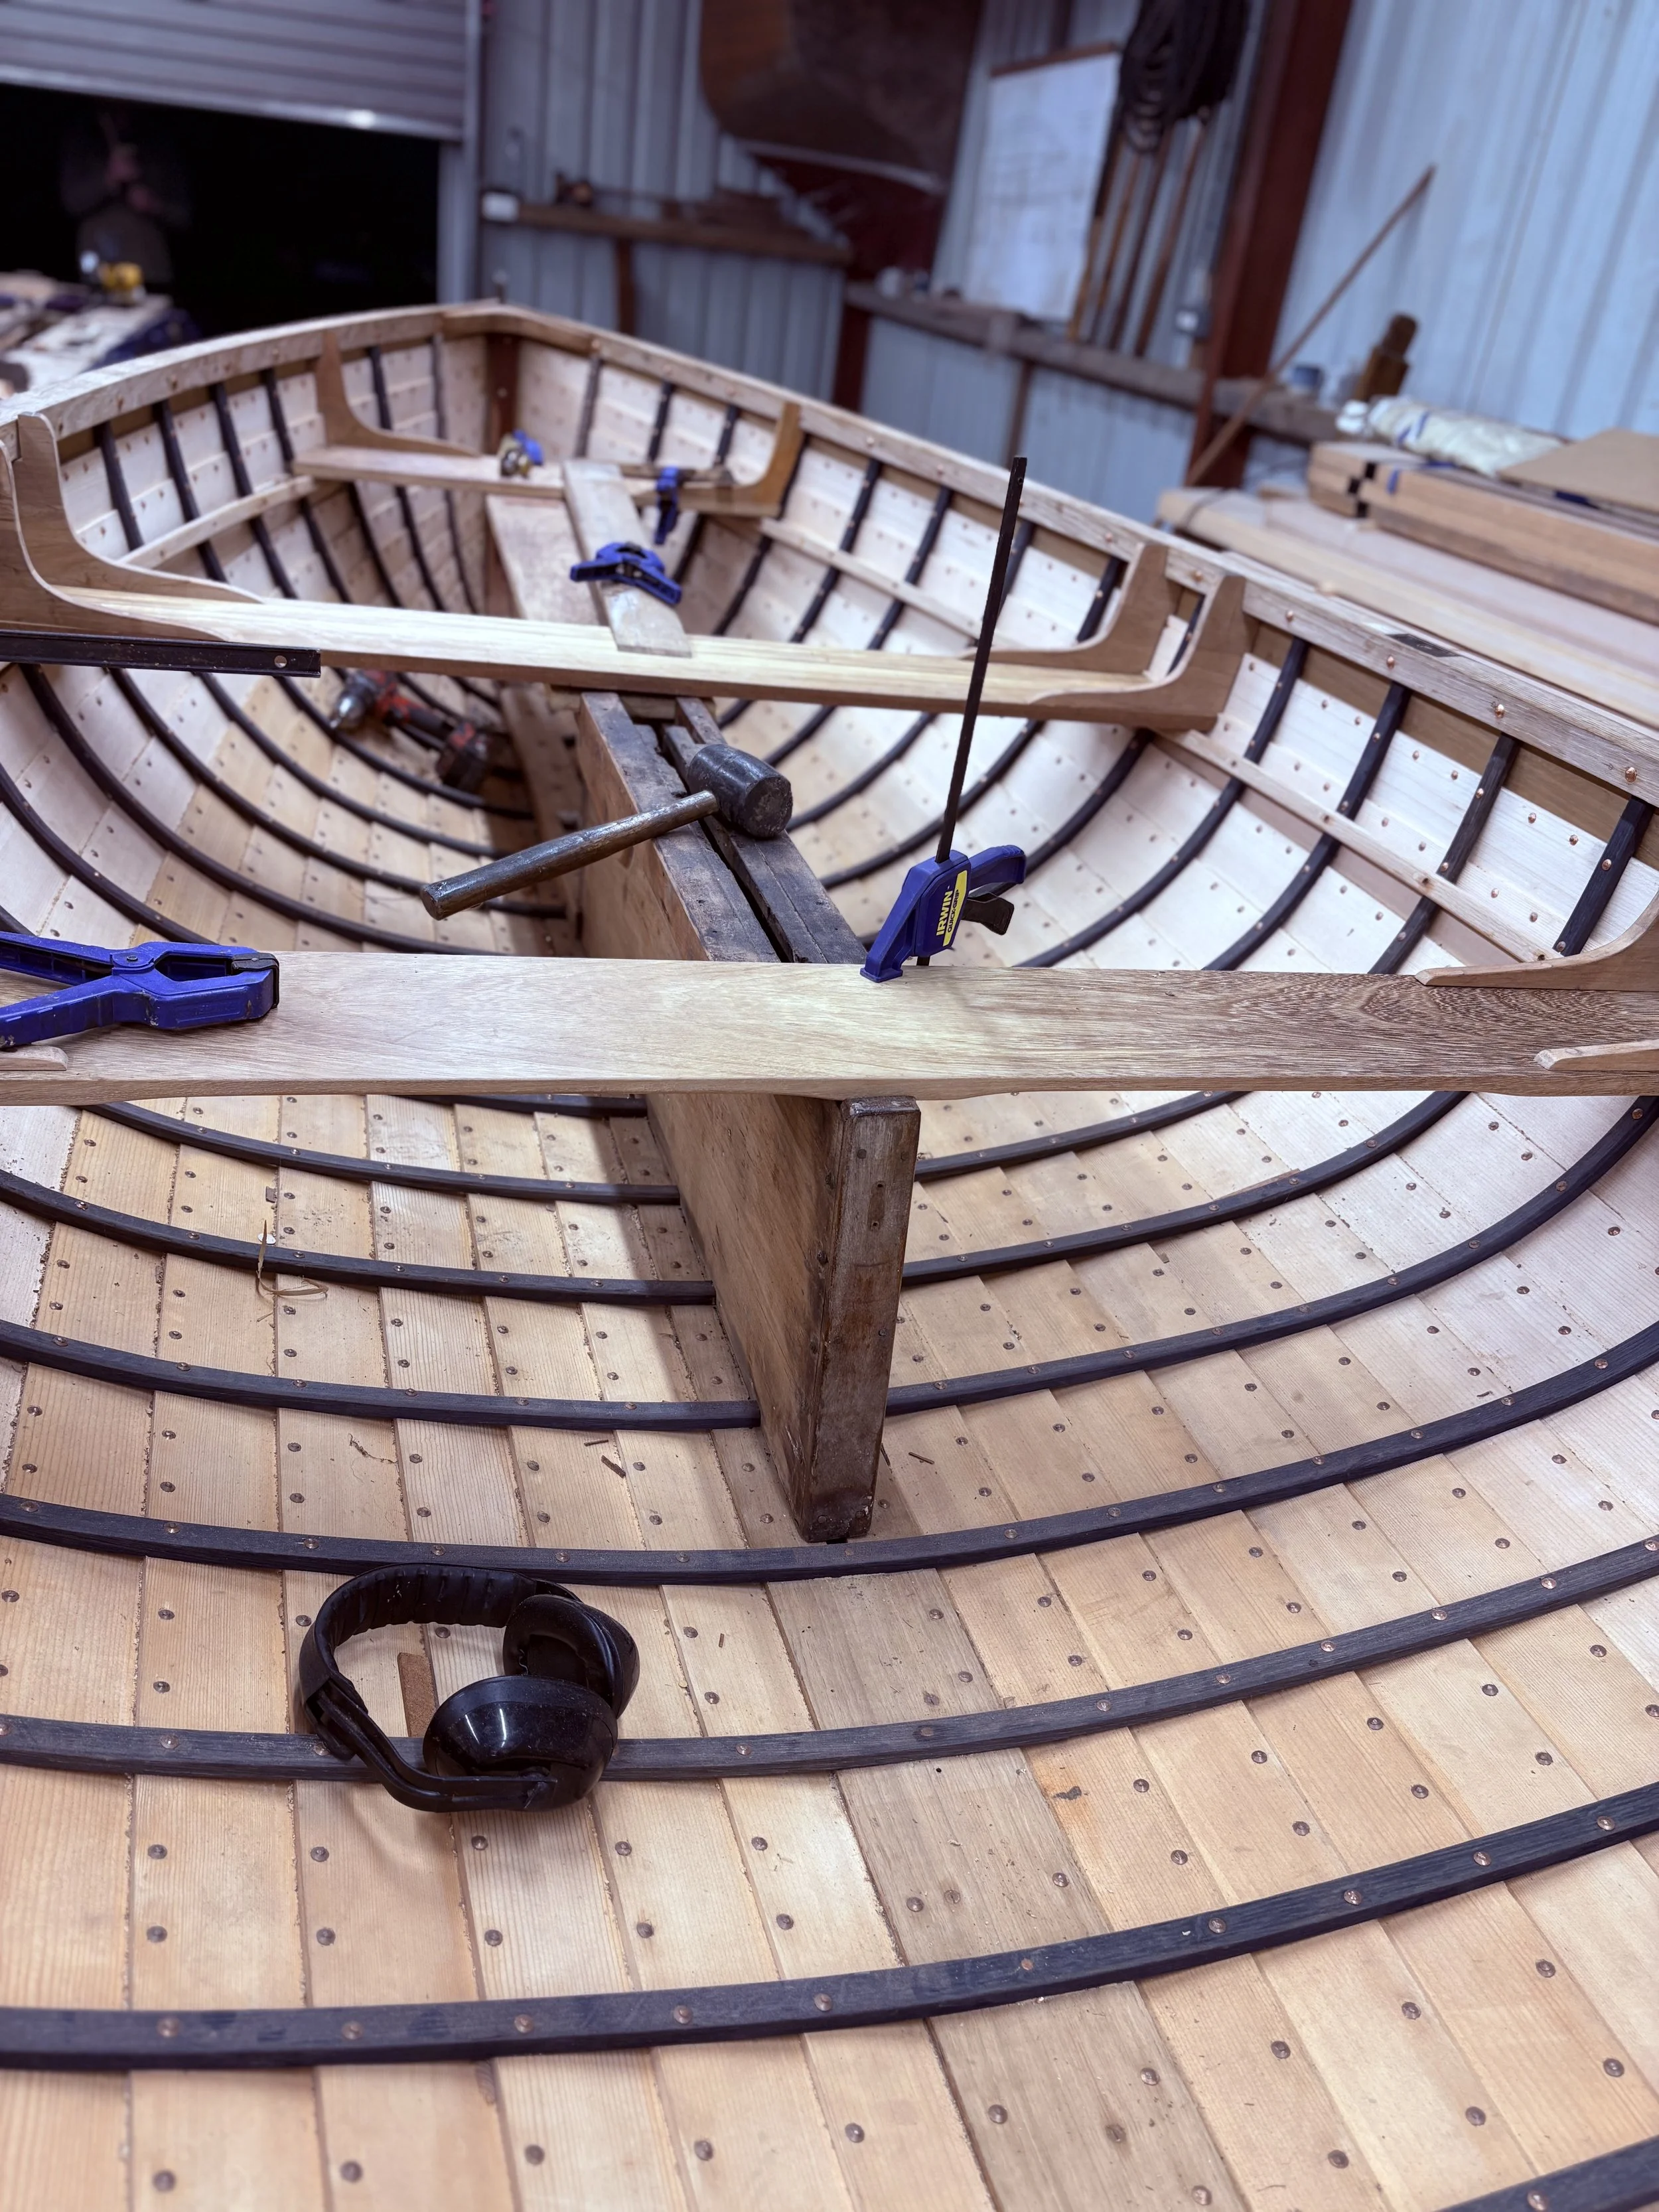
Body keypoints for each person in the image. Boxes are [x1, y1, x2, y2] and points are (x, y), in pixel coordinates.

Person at [59, 106, 190, 287]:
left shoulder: (159, 147)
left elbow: (183, 215)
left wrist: (153, 205)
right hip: (100, 268)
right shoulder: (84, 145)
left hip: (149, 270)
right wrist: (110, 179)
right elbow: (71, 203)